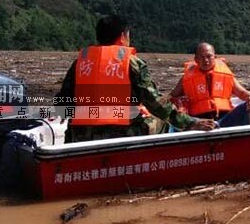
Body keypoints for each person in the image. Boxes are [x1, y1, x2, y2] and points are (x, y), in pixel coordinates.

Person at [57, 15, 215, 143]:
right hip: (122, 134)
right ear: (122, 37)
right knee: (161, 120)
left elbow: (62, 103)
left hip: (81, 135)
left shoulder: (80, 63)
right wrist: (190, 122)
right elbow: (156, 104)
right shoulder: (132, 63)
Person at [170, 42, 250, 120]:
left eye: (209, 56)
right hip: (198, 120)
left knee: (249, 108)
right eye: (202, 57)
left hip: (223, 117)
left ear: (215, 57)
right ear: (196, 59)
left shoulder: (226, 75)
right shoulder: (187, 78)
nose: (206, 60)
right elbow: (172, 96)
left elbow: (241, 92)